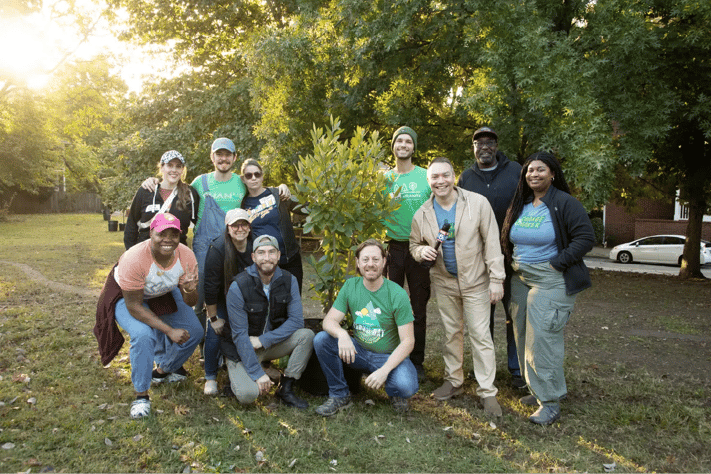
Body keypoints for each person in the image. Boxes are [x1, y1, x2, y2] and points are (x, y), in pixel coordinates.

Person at [141, 139, 290, 351]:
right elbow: (173, 191)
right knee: (199, 295)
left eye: (228, 154)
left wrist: (279, 188)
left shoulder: (241, 182)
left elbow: (259, 189)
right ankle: (197, 343)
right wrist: (153, 182)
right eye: (219, 154)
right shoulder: (199, 182)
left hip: (234, 244)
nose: (223, 158)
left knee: (233, 293)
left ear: (234, 158)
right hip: (204, 246)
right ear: (212, 157)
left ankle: (227, 345)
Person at [500, 151, 595, 425]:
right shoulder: (522, 204)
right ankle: (539, 387)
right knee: (521, 335)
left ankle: (550, 402)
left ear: (552, 173)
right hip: (520, 277)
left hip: (551, 278)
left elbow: (585, 237)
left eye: (540, 170)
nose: (534, 174)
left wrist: (558, 263)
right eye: (529, 170)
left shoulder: (565, 203)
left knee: (542, 339)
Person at [410, 157, 505, 417]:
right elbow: (413, 245)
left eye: (445, 175)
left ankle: (487, 392)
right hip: (444, 282)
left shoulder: (477, 203)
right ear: (428, 182)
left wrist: (497, 279)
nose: (440, 181)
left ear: (454, 176)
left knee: (480, 336)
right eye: (434, 177)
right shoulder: (422, 213)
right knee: (452, 333)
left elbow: (492, 243)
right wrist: (422, 251)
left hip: (476, 282)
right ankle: (454, 381)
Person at [94, 213, 202, 419]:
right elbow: (134, 306)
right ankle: (141, 396)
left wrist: (189, 289)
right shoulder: (134, 258)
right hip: (127, 298)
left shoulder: (187, 256)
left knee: (195, 331)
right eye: (162, 233)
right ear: (151, 232)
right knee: (144, 336)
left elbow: (191, 301)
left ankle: (162, 371)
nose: (167, 239)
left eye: (174, 234)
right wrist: (169, 331)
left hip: (162, 293)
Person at [313, 239, 418, 416]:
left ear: (384, 262)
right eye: (366, 259)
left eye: (376, 259)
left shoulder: (397, 294)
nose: (371, 264)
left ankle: (395, 392)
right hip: (358, 352)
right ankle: (339, 394)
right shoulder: (350, 286)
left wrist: (384, 371)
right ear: (358, 263)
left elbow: (408, 342)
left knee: (405, 386)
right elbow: (328, 321)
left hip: (388, 356)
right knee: (322, 339)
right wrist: (343, 335)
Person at [457, 127, 525, 389]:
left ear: (497, 146)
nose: (484, 147)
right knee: (481, 318)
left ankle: (517, 368)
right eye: (479, 143)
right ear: (473, 148)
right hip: (479, 260)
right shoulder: (466, 178)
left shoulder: (516, 172)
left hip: (512, 257)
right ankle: (485, 369)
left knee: (515, 314)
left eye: (490, 142)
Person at [223, 234, 314, 408]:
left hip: (269, 343)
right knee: (248, 395)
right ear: (253, 257)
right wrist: (257, 374)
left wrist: (264, 340)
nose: (267, 258)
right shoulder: (239, 286)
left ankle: (285, 388)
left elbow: (296, 321)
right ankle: (239, 372)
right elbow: (239, 336)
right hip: (242, 348)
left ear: (279, 256)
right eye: (261, 252)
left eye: (272, 252)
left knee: (306, 335)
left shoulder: (289, 280)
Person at [383, 126, 432, 381]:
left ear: (414, 147)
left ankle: (417, 360)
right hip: (392, 249)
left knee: (418, 306)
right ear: (393, 146)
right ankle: (390, 355)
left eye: (408, 141)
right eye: (399, 141)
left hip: (419, 248)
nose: (403, 145)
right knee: (390, 305)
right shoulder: (384, 179)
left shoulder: (426, 176)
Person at [201, 208, 254, 395]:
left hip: (250, 300)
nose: (240, 229)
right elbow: (210, 287)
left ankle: (256, 365)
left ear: (249, 226)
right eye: (235, 225)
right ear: (228, 228)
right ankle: (210, 377)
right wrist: (214, 318)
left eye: (244, 224)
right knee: (216, 331)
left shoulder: (256, 245)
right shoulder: (218, 249)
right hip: (223, 299)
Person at [240, 159, 304, 293]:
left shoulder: (278, 194)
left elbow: (303, 208)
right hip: (265, 263)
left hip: (289, 259)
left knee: (294, 300)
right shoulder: (243, 204)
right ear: (243, 179)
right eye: (248, 175)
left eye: (257, 174)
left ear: (262, 176)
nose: (253, 178)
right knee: (271, 304)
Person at [124, 150, 199, 250]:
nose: (174, 170)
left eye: (178, 166)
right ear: (162, 167)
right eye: (170, 165)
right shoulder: (147, 191)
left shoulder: (190, 194)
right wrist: (131, 253)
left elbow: (201, 224)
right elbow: (131, 224)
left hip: (176, 255)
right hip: (146, 253)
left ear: (182, 170)